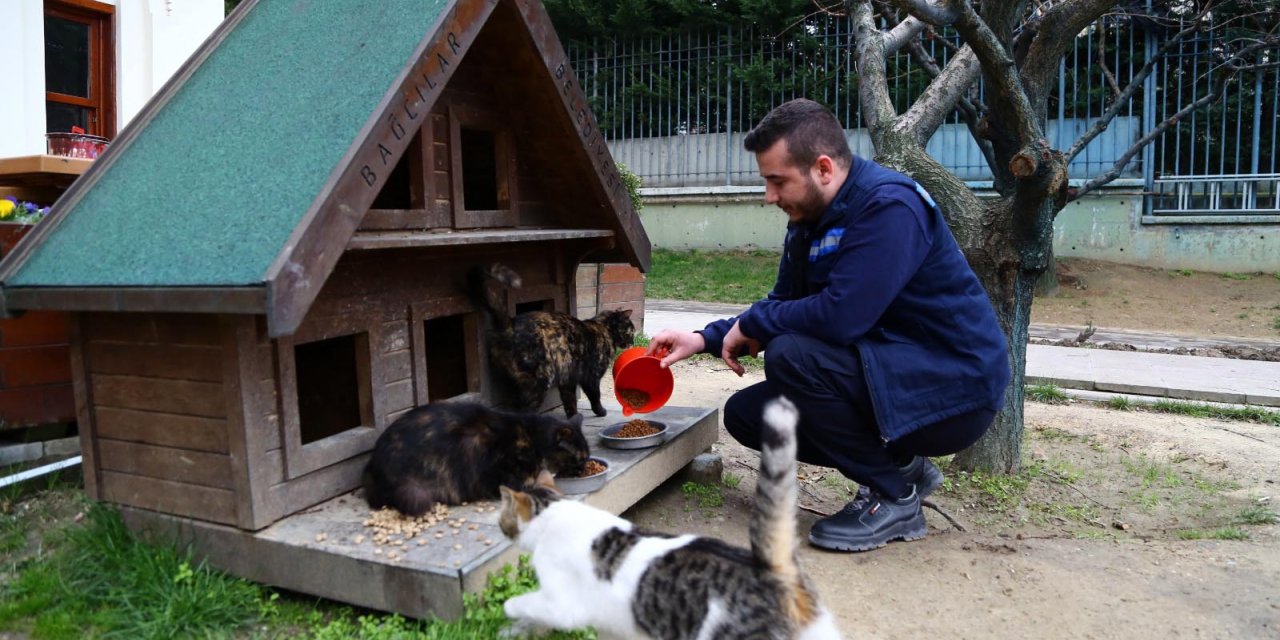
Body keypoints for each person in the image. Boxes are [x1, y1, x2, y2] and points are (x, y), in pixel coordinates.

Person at [646, 98, 1011, 552]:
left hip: (954, 389)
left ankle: (895, 498)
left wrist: (758, 322)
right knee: (751, 417)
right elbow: (784, 303)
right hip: (891, 374)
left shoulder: (889, 206)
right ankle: (903, 468)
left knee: (792, 356)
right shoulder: (810, 220)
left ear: (822, 168)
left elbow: (842, 317)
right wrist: (705, 337)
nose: (769, 196)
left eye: (777, 181)